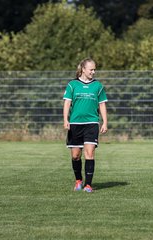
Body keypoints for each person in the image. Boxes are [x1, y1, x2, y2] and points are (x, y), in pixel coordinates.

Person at [63, 58, 108, 193]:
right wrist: (66, 119)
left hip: (91, 123)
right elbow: (67, 103)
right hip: (75, 123)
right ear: (83, 69)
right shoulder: (72, 85)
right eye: (91, 69)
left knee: (90, 153)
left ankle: (88, 185)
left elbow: (102, 104)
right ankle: (78, 180)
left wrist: (105, 121)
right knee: (76, 155)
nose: (93, 72)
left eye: (95, 69)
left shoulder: (98, 86)